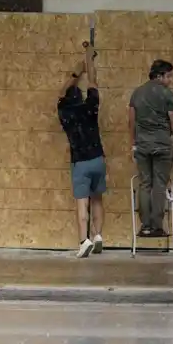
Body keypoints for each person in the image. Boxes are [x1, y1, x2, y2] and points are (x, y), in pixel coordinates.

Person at [57, 44, 106, 258]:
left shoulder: (64, 112)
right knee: (97, 199)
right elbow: (93, 82)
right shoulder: (91, 107)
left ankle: (83, 240)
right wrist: (89, 60)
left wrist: (77, 71)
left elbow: (61, 92)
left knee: (82, 202)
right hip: (98, 159)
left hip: (80, 163)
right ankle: (98, 236)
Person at [128, 59, 173, 237]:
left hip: (142, 145)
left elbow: (131, 121)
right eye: (169, 76)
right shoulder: (167, 94)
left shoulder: (137, 93)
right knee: (159, 184)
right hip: (162, 145)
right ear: (159, 76)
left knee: (145, 183)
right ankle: (157, 226)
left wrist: (133, 145)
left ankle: (145, 226)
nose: (171, 80)